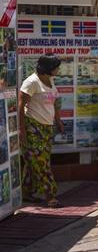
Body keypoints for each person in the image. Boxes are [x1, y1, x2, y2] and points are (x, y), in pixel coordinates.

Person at [18, 55, 65, 208]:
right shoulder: (31, 82)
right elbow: (20, 106)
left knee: (34, 161)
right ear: (48, 68)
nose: (58, 70)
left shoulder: (50, 80)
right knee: (41, 162)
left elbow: (55, 102)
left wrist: (58, 121)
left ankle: (26, 191)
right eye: (56, 67)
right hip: (33, 127)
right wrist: (22, 131)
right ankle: (50, 194)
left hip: (47, 127)